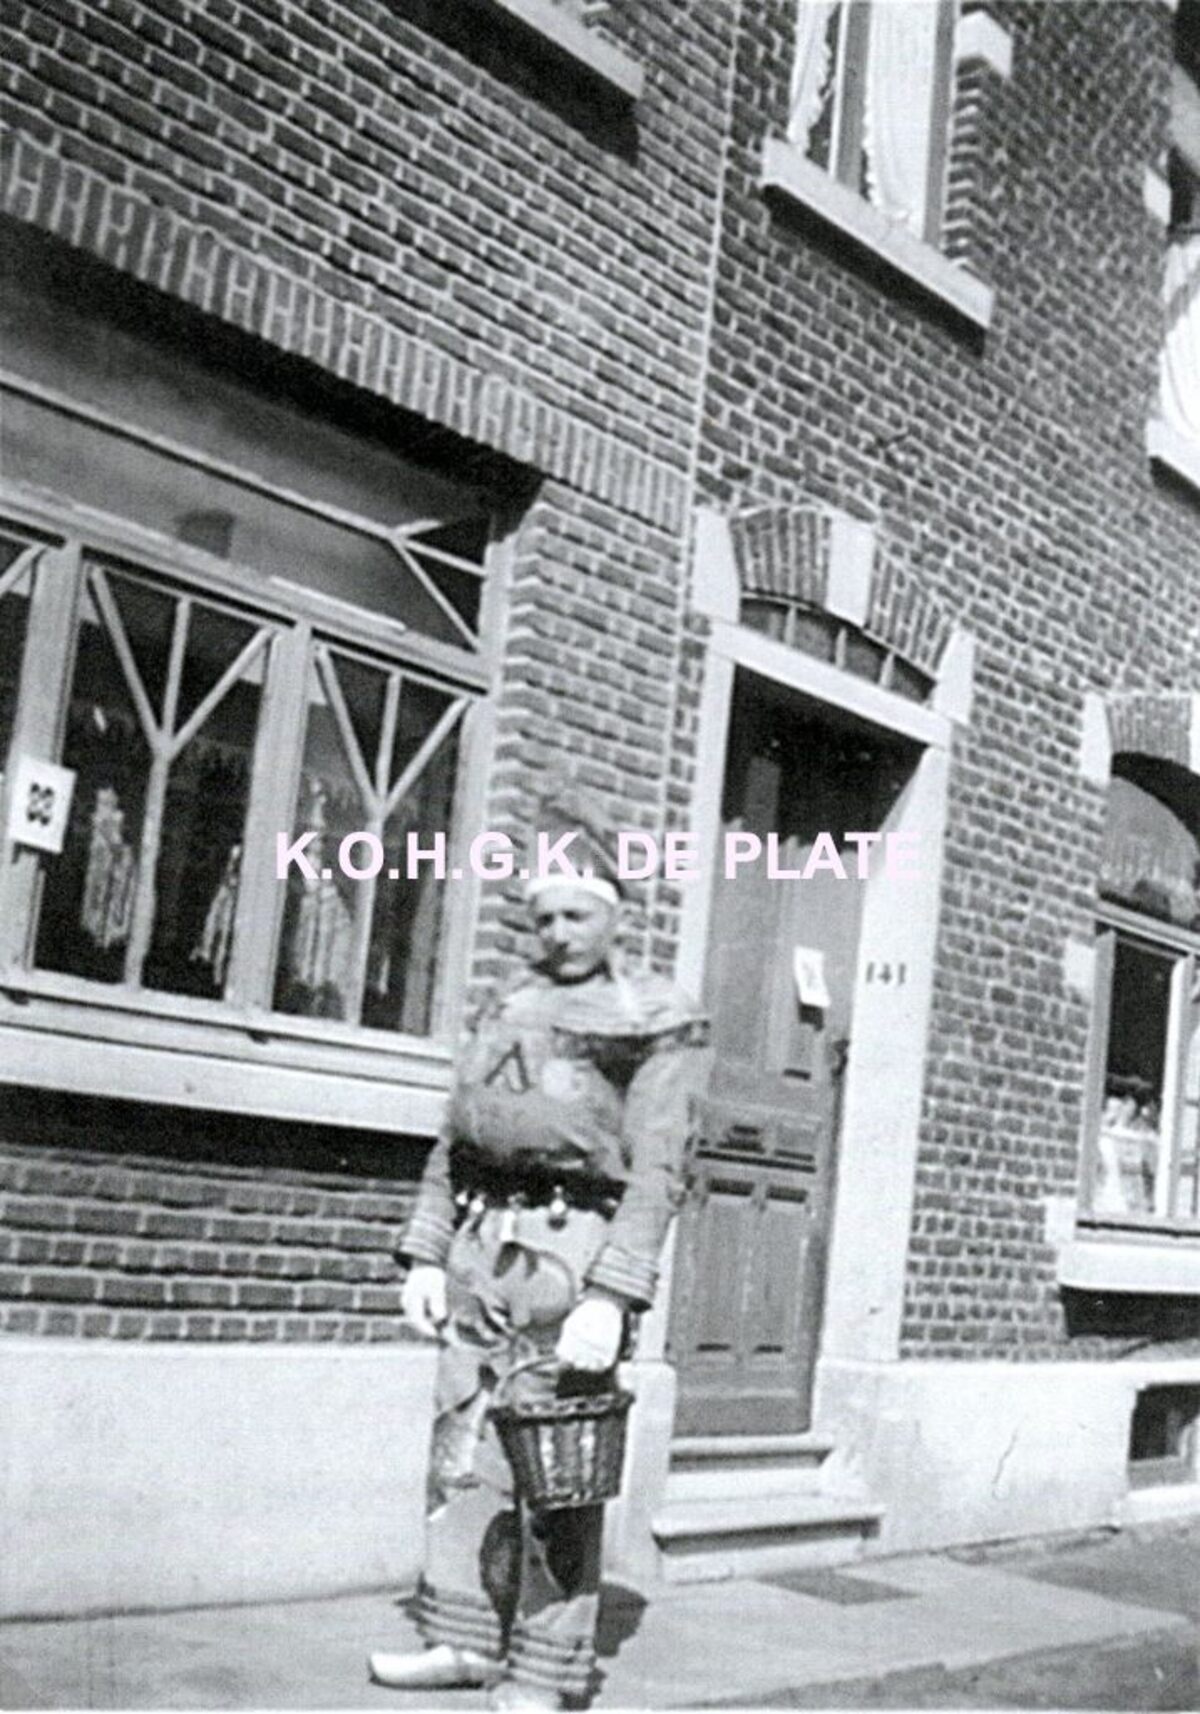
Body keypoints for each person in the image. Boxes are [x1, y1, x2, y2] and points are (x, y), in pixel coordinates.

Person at [368, 817, 708, 1710]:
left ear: (615, 918)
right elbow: (454, 1136)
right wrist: (427, 1254)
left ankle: (544, 1671)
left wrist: (612, 1296)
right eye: (544, 916)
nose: (558, 933)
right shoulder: (507, 1004)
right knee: (461, 1443)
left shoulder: (654, 1019)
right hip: (484, 1242)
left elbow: (661, 1168)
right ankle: (463, 1638)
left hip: (574, 1246)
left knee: (557, 1462)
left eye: (576, 915)